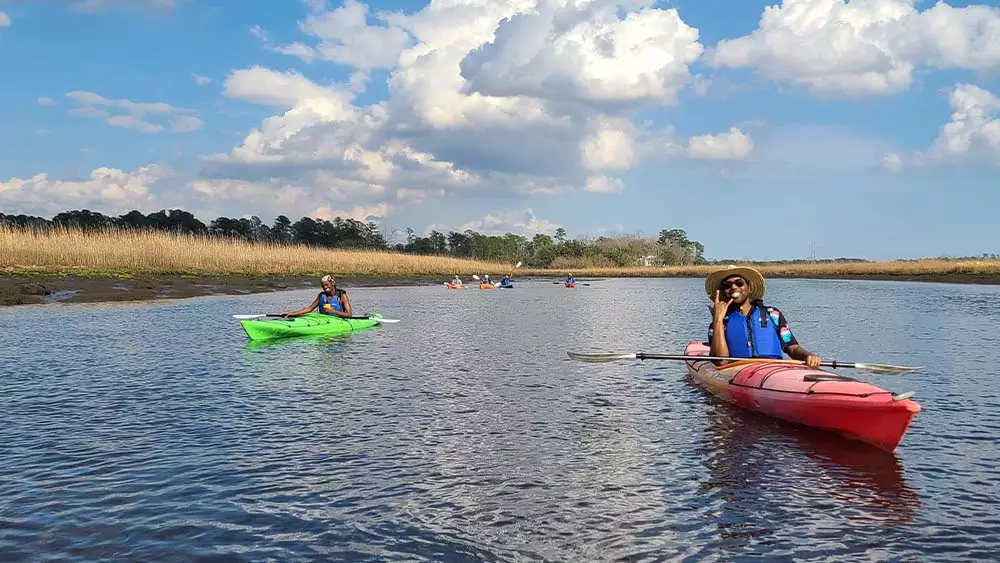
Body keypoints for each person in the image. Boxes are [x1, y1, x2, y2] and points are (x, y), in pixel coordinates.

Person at [706, 265, 820, 368]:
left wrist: (809, 356)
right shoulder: (719, 323)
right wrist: (717, 320)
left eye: (739, 283)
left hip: (773, 368)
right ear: (722, 292)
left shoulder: (773, 314)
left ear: (749, 288)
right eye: (727, 285)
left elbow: (793, 348)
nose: (734, 287)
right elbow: (720, 361)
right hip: (737, 370)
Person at [280, 274, 353, 318]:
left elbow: (349, 314)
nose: (325, 287)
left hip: (339, 321)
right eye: (323, 285)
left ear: (333, 283)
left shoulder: (341, 295)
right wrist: (291, 314)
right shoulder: (321, 296)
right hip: (323, 320)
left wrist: (333, 311)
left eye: (327, 284)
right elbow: (309, 309)